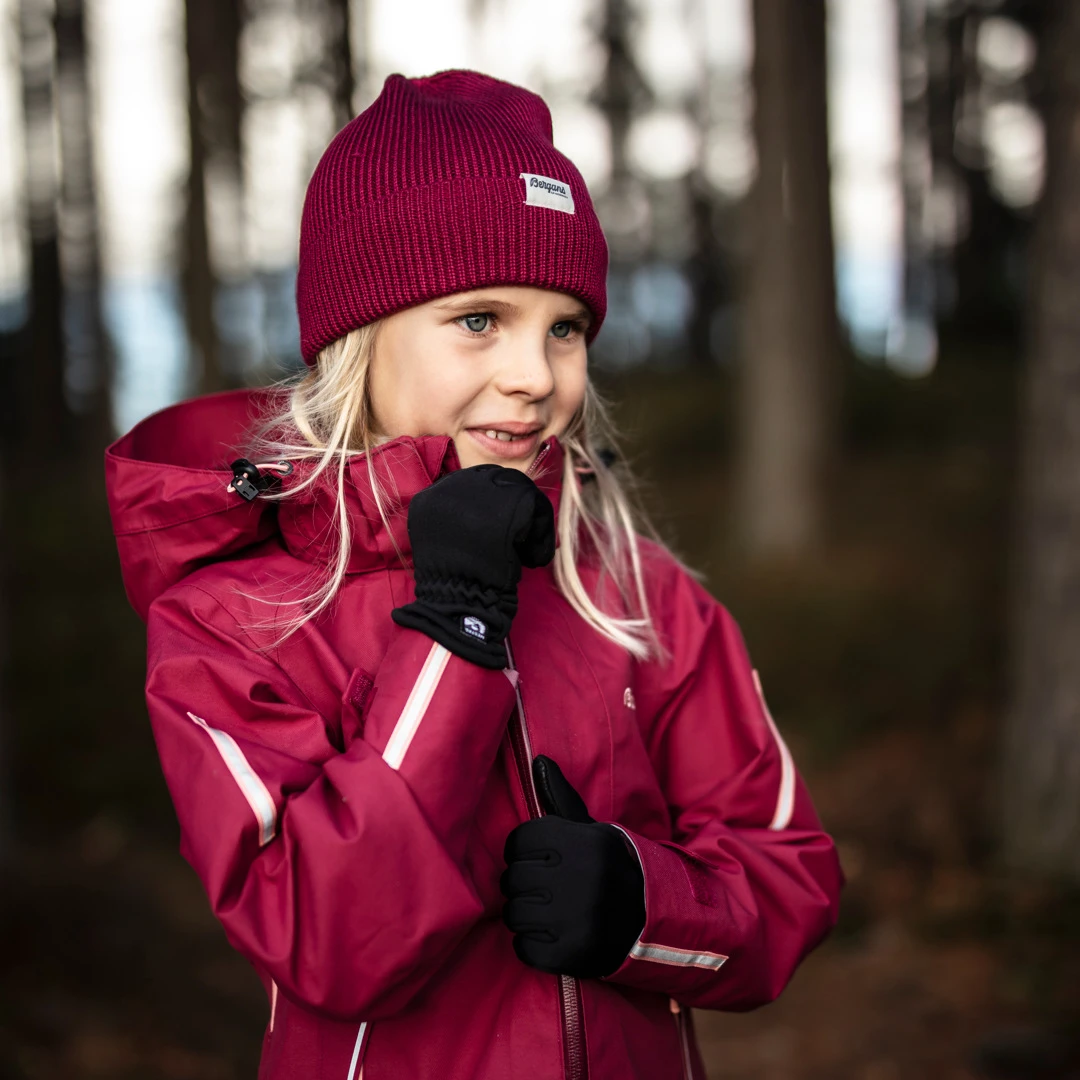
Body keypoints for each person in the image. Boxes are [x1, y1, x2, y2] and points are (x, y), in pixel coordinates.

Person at [105, 68, 843, 1080]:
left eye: (564, 328)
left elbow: (788, 875)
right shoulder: (232, 618)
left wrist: (645, 906)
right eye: (480, 319)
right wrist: (455, 630)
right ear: (360, 339)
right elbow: (331, 940)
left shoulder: (640, 594)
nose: (535, 376)